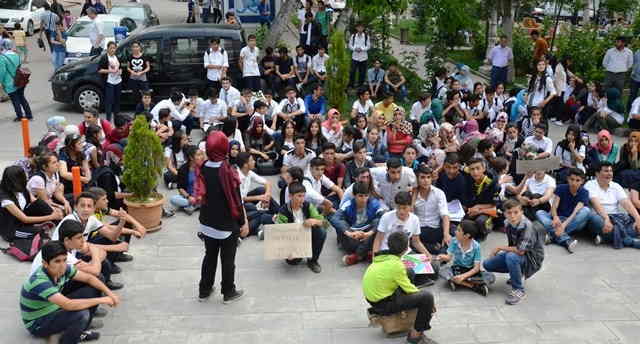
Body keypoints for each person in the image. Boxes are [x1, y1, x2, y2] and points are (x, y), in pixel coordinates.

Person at [20, 241, 119, 343]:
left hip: (53, 307)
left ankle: (81, 330)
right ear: (45, 263)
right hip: (38, 323)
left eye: (64, 260)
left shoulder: (63, 268)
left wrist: (109, 293)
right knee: (81, 314)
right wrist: (102, 299)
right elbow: (68, 305)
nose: (62, 265)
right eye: (57, 261)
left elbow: (89, 278)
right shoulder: (40, 281)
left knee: (97, 281)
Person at [196, 131, 247, 302]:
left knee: (209, 256)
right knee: (227, 259)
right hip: (225, 224)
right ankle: (228, 292)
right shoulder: (227, 170)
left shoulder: (203, 166)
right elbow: (236, 200)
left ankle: (204, 290)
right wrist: (242, 222)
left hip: (206, 222)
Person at [364, 231, 438, 344]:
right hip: (383, 303)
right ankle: (415, 336)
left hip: (373, 298)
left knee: (409, 272)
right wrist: (430, 304)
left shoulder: (381, 256)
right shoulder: (397, 265)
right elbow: (410, 289)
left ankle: (407, 310)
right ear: (406, 249)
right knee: (427, 297)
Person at [484, 199, 544, 305]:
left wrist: (499, 248)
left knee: (512, 257)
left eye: (516, 212)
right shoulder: (507, 223)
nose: (512, 216)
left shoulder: (528, 227)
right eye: (509, 213)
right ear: (504, 214)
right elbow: (512, 245)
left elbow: (520, 251)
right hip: (519, 254)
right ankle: (517, 273)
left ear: (522, 212)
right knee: (487, 264)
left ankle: (519, 290)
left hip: (532, 260)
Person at [274, 182, 326, 273]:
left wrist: (315, 221)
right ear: (290, 196)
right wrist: (287, 250)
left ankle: (313, 260)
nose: (302, 199)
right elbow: (280, 233)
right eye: (299, 196)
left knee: (321, 232)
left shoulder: (308, 206)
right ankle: (301, 252)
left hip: (307, 235)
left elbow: (325, 223)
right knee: (293, 262)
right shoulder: (284, 211)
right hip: (292, 239)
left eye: (303, 196)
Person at [585, 162, 640, 249]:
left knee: (634, 224)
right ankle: (630, 241)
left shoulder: (616, 186)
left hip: (617, 218)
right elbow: (596, 204)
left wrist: (638, 219)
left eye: (611, 171)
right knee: (595, 219)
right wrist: (606, 219)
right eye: (606, 171)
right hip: (601, 217)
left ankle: (605, 238)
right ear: (597, 173)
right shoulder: (590, 185)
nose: (609, 173)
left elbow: (626, 203)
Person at [0, 166, 62, 242]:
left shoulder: (21, 187)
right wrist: (51, 216)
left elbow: (36, 201)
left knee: (40, 203)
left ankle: (60, 223)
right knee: (40, 232)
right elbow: (25, 219)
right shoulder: (5, 199)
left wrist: (55, 210)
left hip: (23, 218)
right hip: (13, 228)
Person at [535, 168, 588, 253]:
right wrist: (555, 217)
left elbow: (575, 211)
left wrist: (564, 225)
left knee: (586, 211)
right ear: (568, 179)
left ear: (582, 181)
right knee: (539, 213)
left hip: (572, 220)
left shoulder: (584, 192)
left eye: (577, 180)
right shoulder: (561, 188)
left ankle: (552, 235)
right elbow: (554, 206)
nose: (574, 183)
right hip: (558, 219)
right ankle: (566, 240)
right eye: (572, 179)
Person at [437, 220, 493, 296]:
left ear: (466, 235)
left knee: (490, 277)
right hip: (457, 269)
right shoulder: (454, 241)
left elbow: (476, 268)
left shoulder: (476, 247)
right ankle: (473, 285)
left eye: (458, 230)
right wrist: (442, 257)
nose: (455, 232)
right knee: (442, 272)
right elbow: (448, 258)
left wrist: (463, 277)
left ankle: (459, 282)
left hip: (471, 271)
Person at [372, 191, 431, 259]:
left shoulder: (415, 219)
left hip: (405, 253)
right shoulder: (386, 217)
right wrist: (374, 258)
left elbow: (416, 241)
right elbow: (378, 239)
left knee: (432, 266)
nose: (401, 211)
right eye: (399, 208)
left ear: (410, 206)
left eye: (404, 208)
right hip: (388, 252)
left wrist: (427, 254)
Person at [413, 165, 450, 255]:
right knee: (411, 239)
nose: (426, 180)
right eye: (422, 177)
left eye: (428, 177)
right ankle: (435, 249)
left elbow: (445, 214)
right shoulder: (412, 194)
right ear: (417, 179)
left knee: (450, 234)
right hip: (419, 230)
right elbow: (410, 215)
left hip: (434, 229)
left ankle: (435, 250)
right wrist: (413, 195)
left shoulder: (439, 193)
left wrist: (446, 234)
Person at [465, 158, 499, 240]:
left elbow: (495, 204)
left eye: (478, 168)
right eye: (472, 169)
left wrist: (478, 208)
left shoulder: (492, 184)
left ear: (484, 169)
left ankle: (485, 231)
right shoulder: (469, 179)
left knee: (480, 221)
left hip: (489, 211)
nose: (475, 172)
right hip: (473, 208)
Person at [0, 39, 32, 121]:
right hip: (20, 80)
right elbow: (19, 66)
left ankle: (20, 116)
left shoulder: (2, 58)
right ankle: (29, 114)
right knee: (22, 97)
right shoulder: (16, 54)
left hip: (10, 83)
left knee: (15, 100)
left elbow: (2, 72)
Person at [170, 145, 205, 215]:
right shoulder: (183, 169)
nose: (202, 157)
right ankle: (195, 205)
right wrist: (189, 197)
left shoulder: (204, 167)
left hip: (202, 196)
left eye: (201, 154)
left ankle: (193, 206)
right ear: (191, 158)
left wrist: (201, 195)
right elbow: (180, 188)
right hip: (190, 196)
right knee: (173, 199)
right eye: (198, 155)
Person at [98, 42, 122, 122]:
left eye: (114, 48)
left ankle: (117, 119)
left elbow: (120, 67)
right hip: (109, 82)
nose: (113, 50)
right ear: (107, 48)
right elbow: (100, 70)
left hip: (118, 81)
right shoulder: (104, 58)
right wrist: (110, 71)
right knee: (109, 101)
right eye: (111, 48)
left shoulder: (117, 57)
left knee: (117, 101)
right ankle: (108, 120)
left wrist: (120, 71)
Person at [348, 23, 370, 88]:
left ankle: (360, 85)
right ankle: (351, 85)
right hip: (355, 57)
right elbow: (350, 45)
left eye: (361, 27)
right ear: (356, 28)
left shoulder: (366, 36)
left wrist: (362, 49)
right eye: (359, 27)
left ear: (363, 28)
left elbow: (368, 46)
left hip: (363, 57)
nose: (360, 29)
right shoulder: (353, 36)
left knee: (362, 72)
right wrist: (355, 49)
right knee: (352, 71)